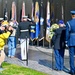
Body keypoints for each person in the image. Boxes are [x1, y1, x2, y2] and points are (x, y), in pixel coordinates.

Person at [66, 11, 75, 75]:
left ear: (72, 15)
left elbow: (67, 33)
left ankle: (72, 70)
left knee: (71, 56)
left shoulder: (69, 23)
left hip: (71, 40)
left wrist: (66, 40)